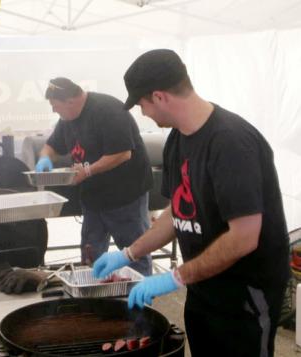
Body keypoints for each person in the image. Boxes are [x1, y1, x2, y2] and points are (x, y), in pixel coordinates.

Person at [92, 49, 289, 356]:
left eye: (142, 104)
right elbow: (176, 213)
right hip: (203, 288)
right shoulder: (177, 140)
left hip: (245, 295)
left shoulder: (231, 142)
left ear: (159, 97)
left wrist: (175, 277)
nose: (143, 113)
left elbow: (245, 237)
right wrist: (129, 253)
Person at [35, 77, 154, 275]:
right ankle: (94, 293)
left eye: (55, 106)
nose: (54, 111)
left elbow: (123, 153)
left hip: (125, 195)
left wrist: (88, 171)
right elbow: (52, 146)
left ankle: (141, 298)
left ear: (70, 101)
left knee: (134, 251)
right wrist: (44, 158)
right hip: (93, 197)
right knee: (91, 252)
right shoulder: (67, 119)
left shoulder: (108, 111)